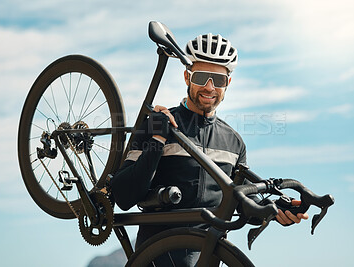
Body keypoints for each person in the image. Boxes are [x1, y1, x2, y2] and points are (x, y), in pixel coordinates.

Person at [111, 33, 308, 264]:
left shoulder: (234, 143)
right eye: (202, 76)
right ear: (187, 76)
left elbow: (243, 203)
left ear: (229, 83)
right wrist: (156, 139)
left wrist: (275, 210)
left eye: (219, 80)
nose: (209, 87)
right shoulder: (157, 123)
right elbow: (124, 196)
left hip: (208, 256)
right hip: (157, 255)